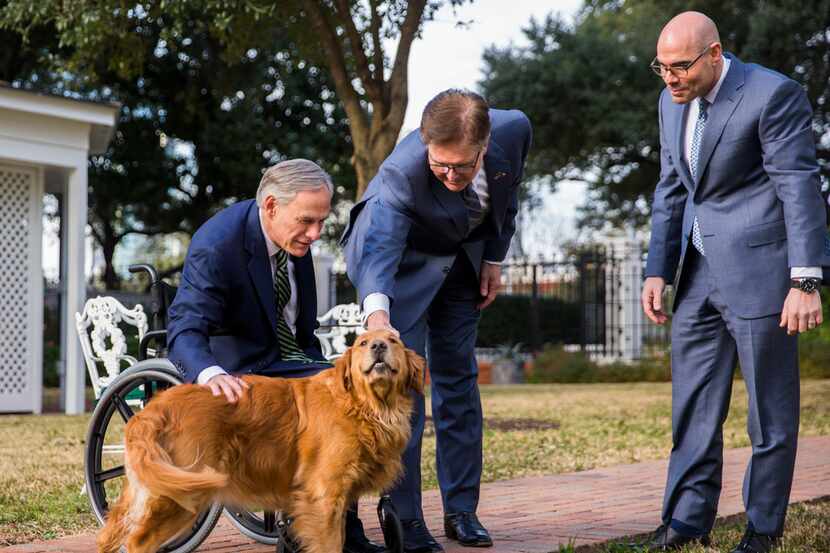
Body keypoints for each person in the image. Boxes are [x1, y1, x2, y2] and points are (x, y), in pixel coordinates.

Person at [640, 11, 827, 553]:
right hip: (695, 277)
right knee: (693, 408)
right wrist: (657, 269)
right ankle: (684, 521)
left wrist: (805, 280)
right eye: (662, 67)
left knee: (769, 414)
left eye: (680, 67)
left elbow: (799, 186)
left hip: (763, 275)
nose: (670, 78)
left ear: (715, 54)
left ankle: (762, 527)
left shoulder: (772, 95)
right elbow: (671, 189)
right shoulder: (668, 104)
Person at [342, 89, 532, 552]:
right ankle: (404, 518)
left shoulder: (515, 129)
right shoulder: (401, 175)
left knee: (459, 381)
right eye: (439, 164)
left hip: (461, 261)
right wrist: (379, 317)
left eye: (461, 166)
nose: (449, 174)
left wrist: (493, 258)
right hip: (398, 265)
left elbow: (508, 197)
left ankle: (462, 511)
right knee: (405, 390)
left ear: (484, 147)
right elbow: (381, 251)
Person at [167, 158, 387, 553]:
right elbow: (184, 329)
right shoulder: (218, 245)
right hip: (243, 365)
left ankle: (338, 523)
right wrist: (210, 374)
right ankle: (320, 531)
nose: (315, 233)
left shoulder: (294, 243)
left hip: (293, 359)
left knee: (356, 391)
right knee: (335, 408)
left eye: (321, 222)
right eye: (307, 221)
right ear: (271, 206)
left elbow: (301, 330)